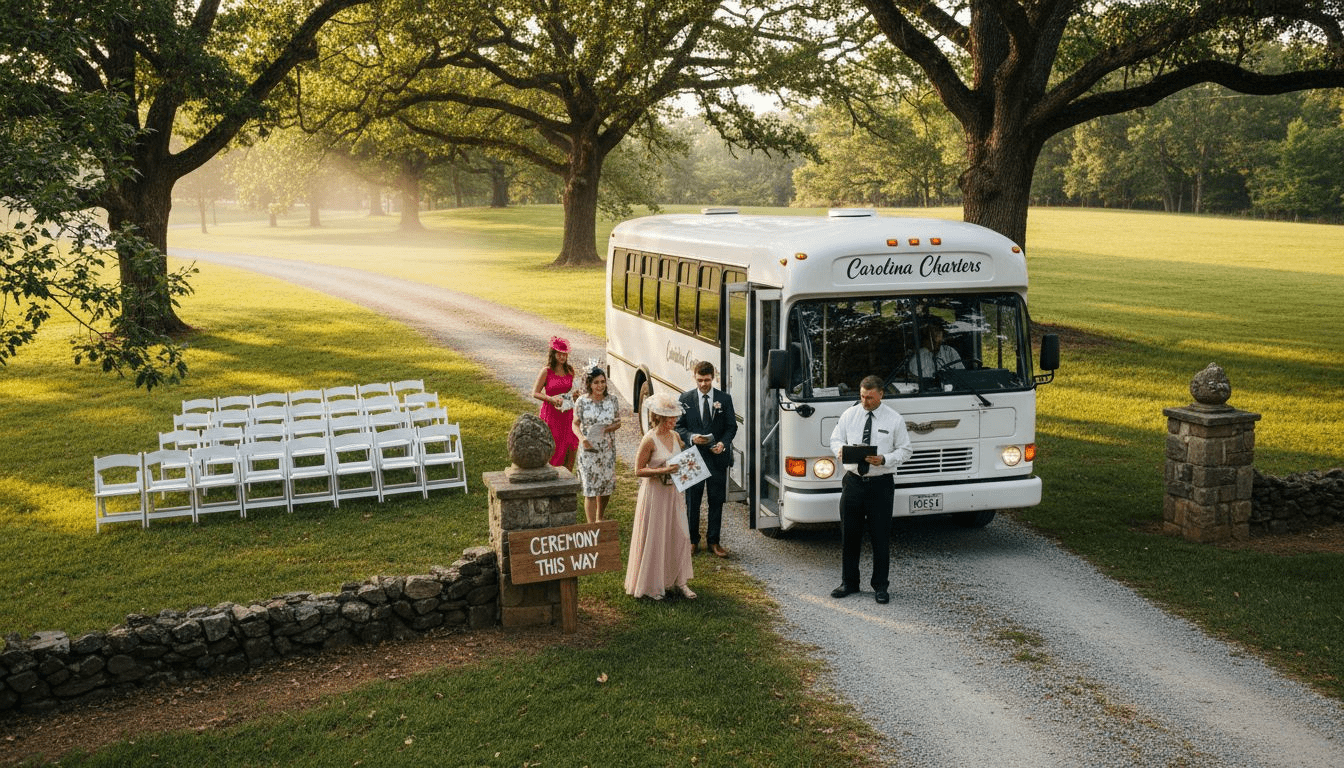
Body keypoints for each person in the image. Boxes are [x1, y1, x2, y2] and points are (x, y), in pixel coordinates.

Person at [827, 374, 913, 605]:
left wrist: (884, 459)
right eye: (862, 396)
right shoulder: (849, 414)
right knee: (850, 535)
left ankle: (881, 586)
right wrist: (841, 451)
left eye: (870, 398)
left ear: (881, 395)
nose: (865, 402)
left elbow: (906, 450)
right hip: (854, 482)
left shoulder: (894, 419)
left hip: (880, 484)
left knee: (880, 536)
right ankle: (849, 582)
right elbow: (835, 439)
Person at [625, 391, 696, 600]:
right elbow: (638, 470)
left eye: (675, 417)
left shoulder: (675, 436)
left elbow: (680, 459)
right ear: (659, 417)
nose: (674, 421)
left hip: (673, 493)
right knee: (656, 536)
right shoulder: (649, 439)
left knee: (680, 535)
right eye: (670, 418)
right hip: (655, 494)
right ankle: (653, 583)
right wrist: (661, 471)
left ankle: (679, 581)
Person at [675, 361, 737, 557]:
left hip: (717, 457)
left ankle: (714, 541)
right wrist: (692, 437)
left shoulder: (724, 399)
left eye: (707, 380)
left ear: (713, 377)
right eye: (700, 380)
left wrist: (723, 444)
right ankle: (692, 541)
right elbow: (678, 426)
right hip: (691, 457)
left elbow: (731, 426)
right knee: (692, 501)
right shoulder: (685, 398)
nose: (703, 384)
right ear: (695, 377)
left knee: (716, 500)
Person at [571, 366, 621, 523]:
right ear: (589, 384)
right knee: (590, 489)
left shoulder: (612, 400)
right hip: (589, 450)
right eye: (596, 383)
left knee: (606, 486)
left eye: (603, 382)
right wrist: (582, 438)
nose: (600, 386)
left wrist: (606, 428)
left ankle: (600, 517)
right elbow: (575, 424)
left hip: (607, 449)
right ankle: (591, 525)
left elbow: (618, 422)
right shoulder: (582, 401)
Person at [532, 336, 579, 470]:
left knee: (570, 445)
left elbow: (569, 392)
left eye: (565, 353)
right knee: (554, 444)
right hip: (551, 414)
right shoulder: (546, 371)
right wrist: (551, 399)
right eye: (559, 353)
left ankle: (567, 476)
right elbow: (535, 392)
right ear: (553, 353)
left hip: (567, 413)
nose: (562, 356)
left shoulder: (570, 371)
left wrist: (575, 396)